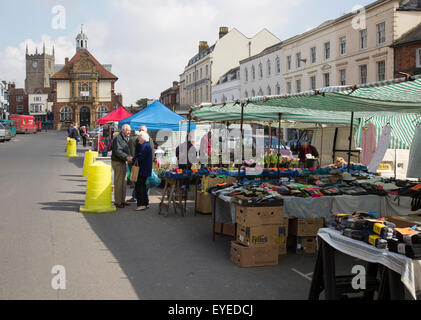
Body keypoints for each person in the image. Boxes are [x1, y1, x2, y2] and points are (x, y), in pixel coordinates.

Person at [111, 124, 133, 209]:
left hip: (122, 161)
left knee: (123, 182)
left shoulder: (124, 138)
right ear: (123, 130)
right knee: (119, 183)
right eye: (128, 130)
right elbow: (118, 151)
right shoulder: (118, 138)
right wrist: (127, 157)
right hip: (118, 162)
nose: (129, 132)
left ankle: (122, 200)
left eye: (129, 131)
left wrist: (128, 156)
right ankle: (118, 202)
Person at [133, 131, 153, 211]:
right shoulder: (147, 145)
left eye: (139, 138)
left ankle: (141, 204)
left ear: (143, 138)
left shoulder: (144, 146)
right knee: (143, 186)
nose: (138, 140)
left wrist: (133, 159)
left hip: (142, 170)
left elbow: (141, 158)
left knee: (139, 186)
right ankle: (146, 203)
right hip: (145, 169)